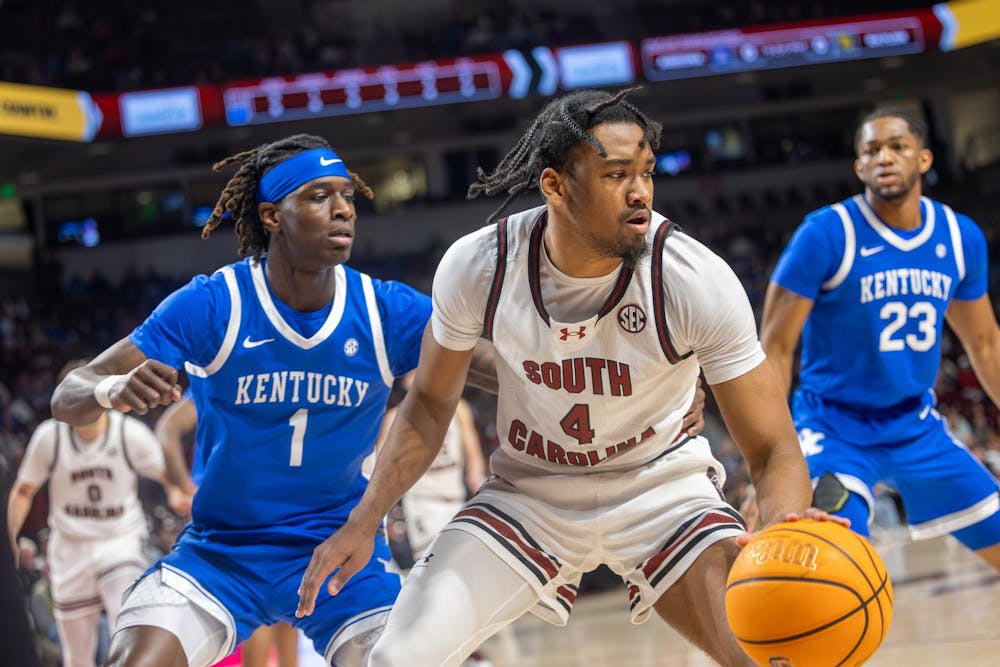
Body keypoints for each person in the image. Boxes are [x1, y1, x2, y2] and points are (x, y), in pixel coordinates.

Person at [294, 88, 820, 667]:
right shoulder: (479, 265)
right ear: (554, 186)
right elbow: (429, 403)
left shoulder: (693, 277)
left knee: (771, 654)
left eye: (646, 172)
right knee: (394, 660)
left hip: (662, 489)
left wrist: (786, 530)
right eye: (616, 174)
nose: (640, 191)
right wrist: (365, 520)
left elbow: (773, 448)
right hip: (530, 493)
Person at [758, 108, 1000, 568]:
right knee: (831, 566)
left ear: (924, 159)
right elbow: (775, 347)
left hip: (916, 425)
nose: (884, 158)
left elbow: (986, 343)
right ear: (859, 166)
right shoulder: (826, 233)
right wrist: (771, 455)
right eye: (872, 150)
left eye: (897, 147)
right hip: (833, 427)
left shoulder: (959, 235)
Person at [8, 359, 179, 667]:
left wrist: (180, 493)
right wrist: (10, 537)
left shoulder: (129, 433)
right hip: (71, 546)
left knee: (125, 624)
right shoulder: (50, 437)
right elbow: (23, 491)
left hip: (120, 539)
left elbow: (170, 478)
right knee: (77, 656)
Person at [155, 393, 300, 667]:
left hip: (262, 505)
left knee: (277, 610)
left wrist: (183, 488)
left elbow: (167, 429)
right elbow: (167, 429)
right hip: (249, 507)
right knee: (270, 608)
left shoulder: (239, 377)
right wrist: (184, 488)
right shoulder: (222, 379)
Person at [372, 372, 488, 561]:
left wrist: (479, 485)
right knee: (433, 569)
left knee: (463, 567)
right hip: (421, 504)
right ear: (405, 381)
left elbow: (474, 455)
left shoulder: (459, 408)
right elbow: (378, 469)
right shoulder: (395, 417)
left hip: (457, 502)